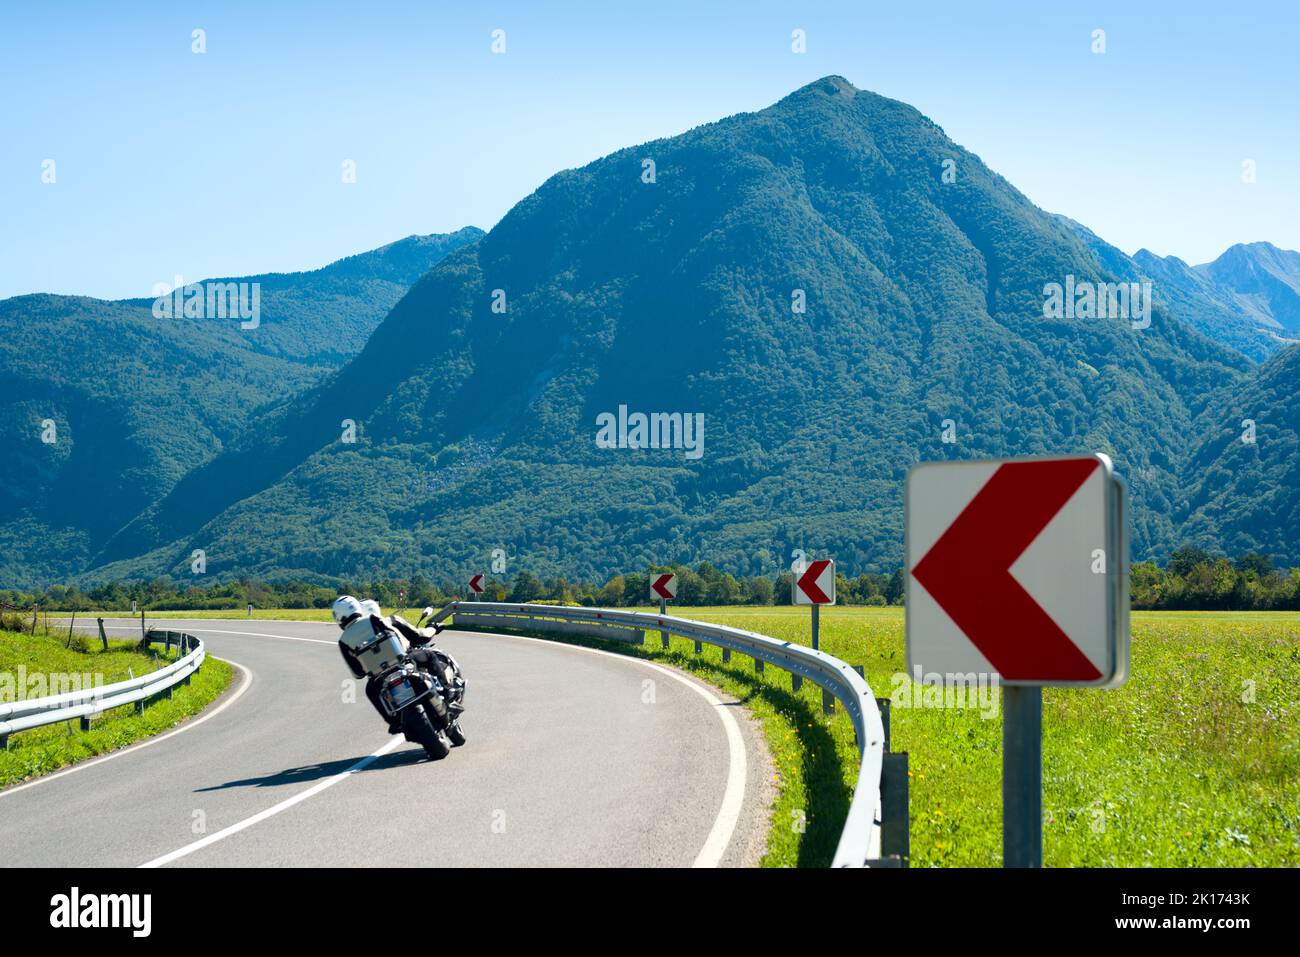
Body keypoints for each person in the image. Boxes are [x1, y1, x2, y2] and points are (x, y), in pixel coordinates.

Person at [332, 595, 447, 734]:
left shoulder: (343, 640)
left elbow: (358, 674)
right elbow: (395, 635)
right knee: (429, 655)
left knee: (370, 691)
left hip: (379, 677)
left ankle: (394, 722)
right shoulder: (374, 619)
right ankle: (446, 688)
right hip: (403, 662)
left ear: (338, 616)